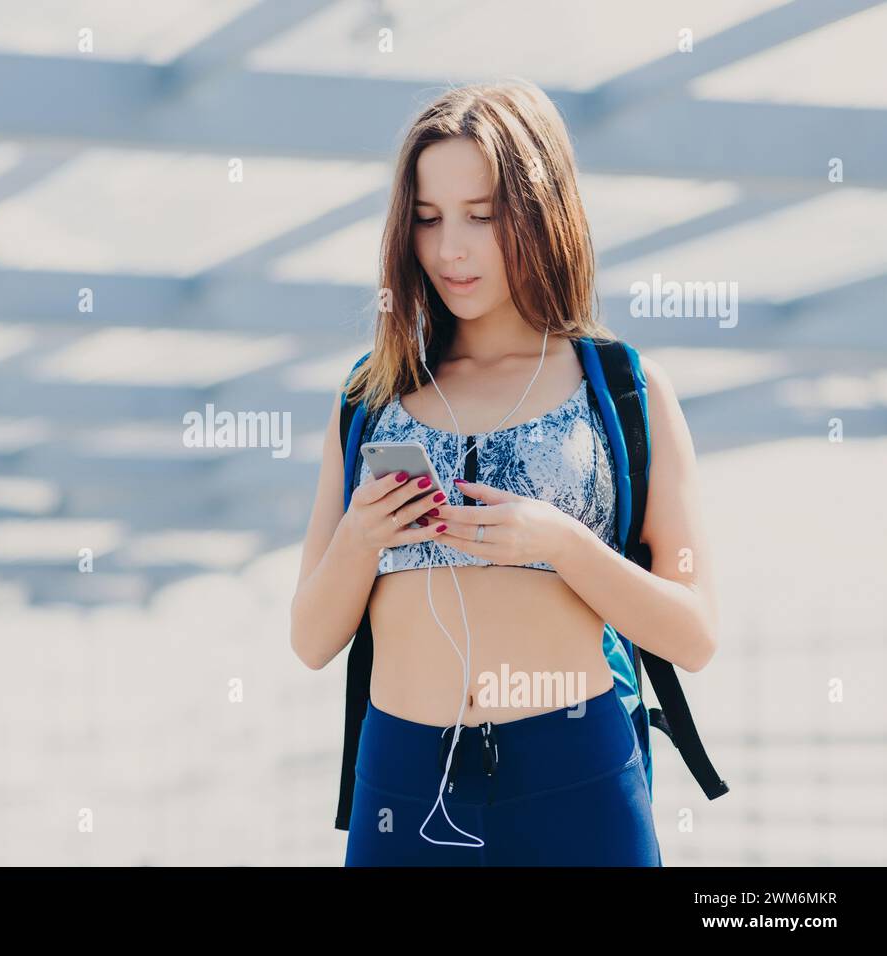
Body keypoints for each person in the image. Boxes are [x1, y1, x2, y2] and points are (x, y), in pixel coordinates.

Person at [289, 78, 720, 866]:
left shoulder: (624, 389)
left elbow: (694, 635)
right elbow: (311, 638)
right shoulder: (370, 397)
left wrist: (564, 544)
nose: (450, 248)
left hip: (576, 777)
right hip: (405, 785)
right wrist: (360, 538)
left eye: (482, 217)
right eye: (427, 219)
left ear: (540, 208)